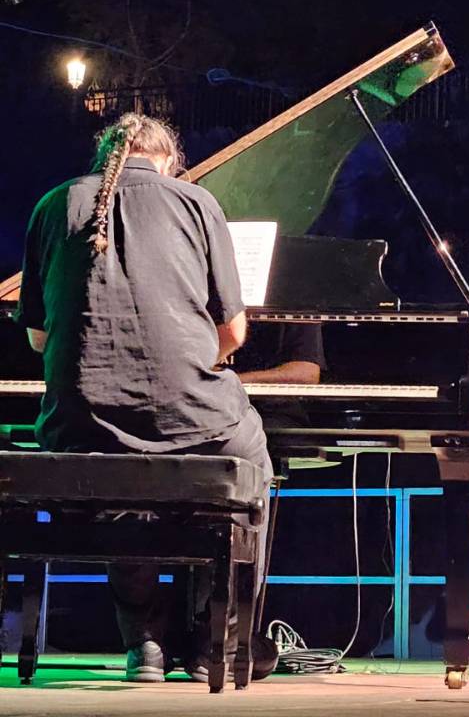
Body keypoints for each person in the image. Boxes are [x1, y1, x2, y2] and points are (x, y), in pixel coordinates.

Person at [16, 112, 275, 684]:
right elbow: (232, 334)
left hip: (78, 424)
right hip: (188, 416)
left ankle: (145, 646)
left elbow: (38, 336)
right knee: (251, 454)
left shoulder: (52, 205)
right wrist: (179, 364)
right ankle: (221, 641)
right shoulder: (194, 203)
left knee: (117, 470)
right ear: (168, 161)